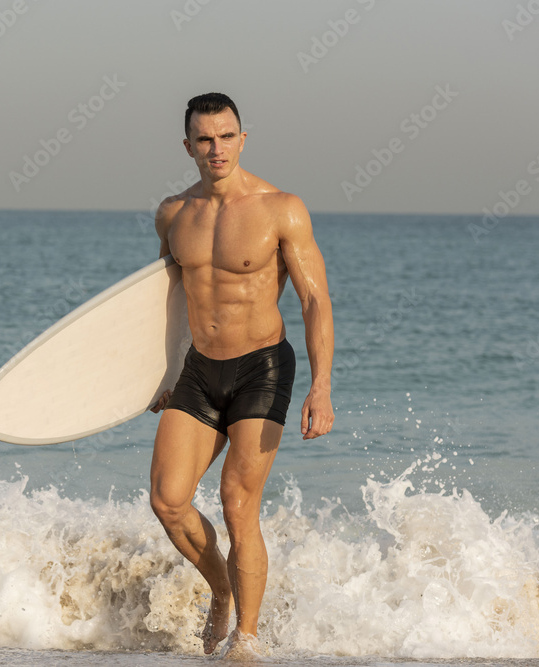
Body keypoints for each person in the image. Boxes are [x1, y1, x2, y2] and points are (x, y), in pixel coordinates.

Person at [148, 92, 335, 656]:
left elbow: (314, 300)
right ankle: (221, 589)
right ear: (187, 146)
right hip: (198, 369)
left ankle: (246, 642)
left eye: (227, 136)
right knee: (168, 501)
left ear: (242, 139)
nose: (217, 148)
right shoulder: (173, 214)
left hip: (262, 367)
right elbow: (169, 296)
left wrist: (321, 386)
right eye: (205, 139)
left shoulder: (281, 208)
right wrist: (164, 370)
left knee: (236, 502)